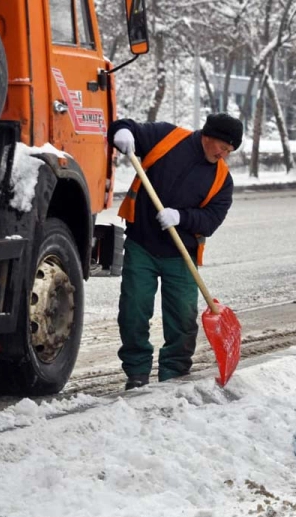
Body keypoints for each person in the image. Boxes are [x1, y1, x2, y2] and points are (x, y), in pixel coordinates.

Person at [109, 113, 243, 390]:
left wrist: (181, 217)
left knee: (182, 318)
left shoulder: (221, 179)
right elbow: (125, 127)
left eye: (229, 151)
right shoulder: (167, 138)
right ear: (208, 135)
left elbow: (211, 219)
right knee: (133, 310)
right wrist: (121, 133)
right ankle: (137, 372)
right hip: (141, 244)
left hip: (181, 255)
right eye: (223, 147)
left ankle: (174, 372)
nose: (223, 154)